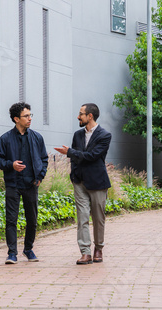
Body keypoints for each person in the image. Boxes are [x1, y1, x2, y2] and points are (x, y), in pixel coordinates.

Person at [54, 103, 112, 265]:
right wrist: (74, 175)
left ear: (90, 116)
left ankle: (98, 248)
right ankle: (85, 252)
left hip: (98, 182)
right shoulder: (77, 135)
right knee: (82, 218)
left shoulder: (104, 135)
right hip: (79, 182)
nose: (78, 117)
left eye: (81, 114)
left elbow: (92, 156)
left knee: (98, 218)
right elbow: (76, 159)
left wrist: (70, 152)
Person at [0, 102, 48, 264]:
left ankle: (28, 249)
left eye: (30, 115)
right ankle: (12, 253)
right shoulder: (5, 139)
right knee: (11, 219)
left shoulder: (37, 138)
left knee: (32, 219)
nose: (30, 118)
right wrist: (11, 165)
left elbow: (44, 159)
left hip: (32, 184)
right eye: (26, 116)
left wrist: (40, 177)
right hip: (13, 185)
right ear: (16, 119)